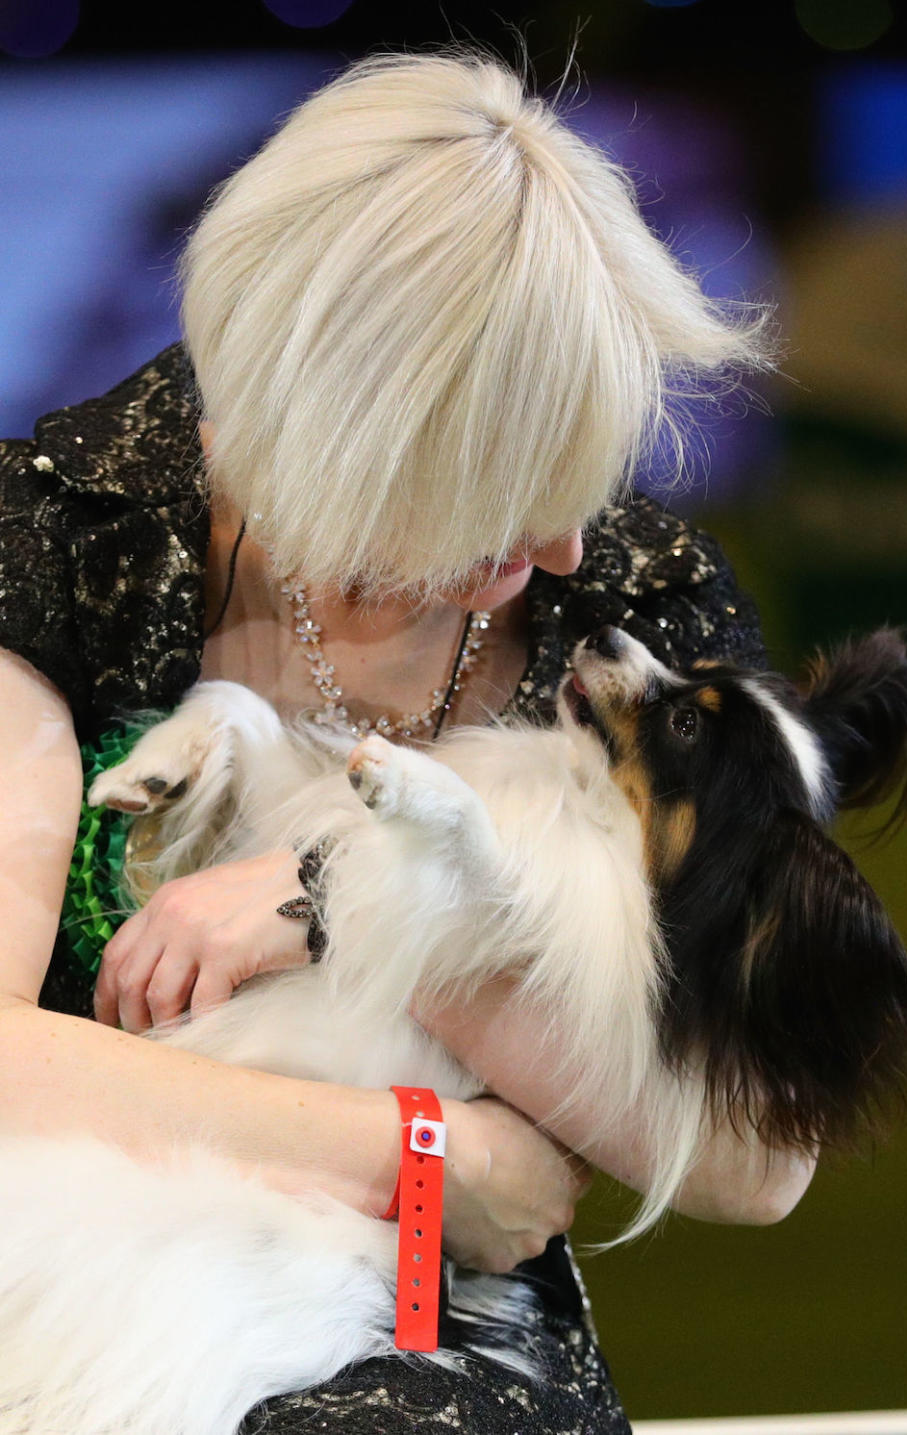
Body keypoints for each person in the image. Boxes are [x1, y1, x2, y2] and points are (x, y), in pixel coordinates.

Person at [0, 51, 815, 1433]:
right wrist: (422, 1154)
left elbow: (757, 1151)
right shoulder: (61, 542)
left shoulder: (640, 606)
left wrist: (354, 905)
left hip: (426, 1324)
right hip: (88, 1257)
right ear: (335, 436)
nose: (564, 546)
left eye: (586, 476)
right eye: (507, 499)